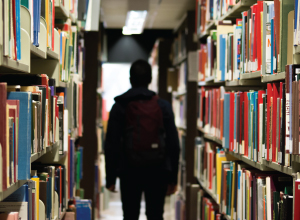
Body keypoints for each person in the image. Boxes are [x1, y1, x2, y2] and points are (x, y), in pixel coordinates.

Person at [104, 59, 180, 220]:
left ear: (130, 79)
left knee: (130, 215)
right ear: (150, 79)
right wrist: (172, 178)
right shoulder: (163, 106)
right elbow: (173, 143)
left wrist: (111, 177)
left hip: (129, 170)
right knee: (155, 215)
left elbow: (111, 144)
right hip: (157, 170)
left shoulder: (119, 106)